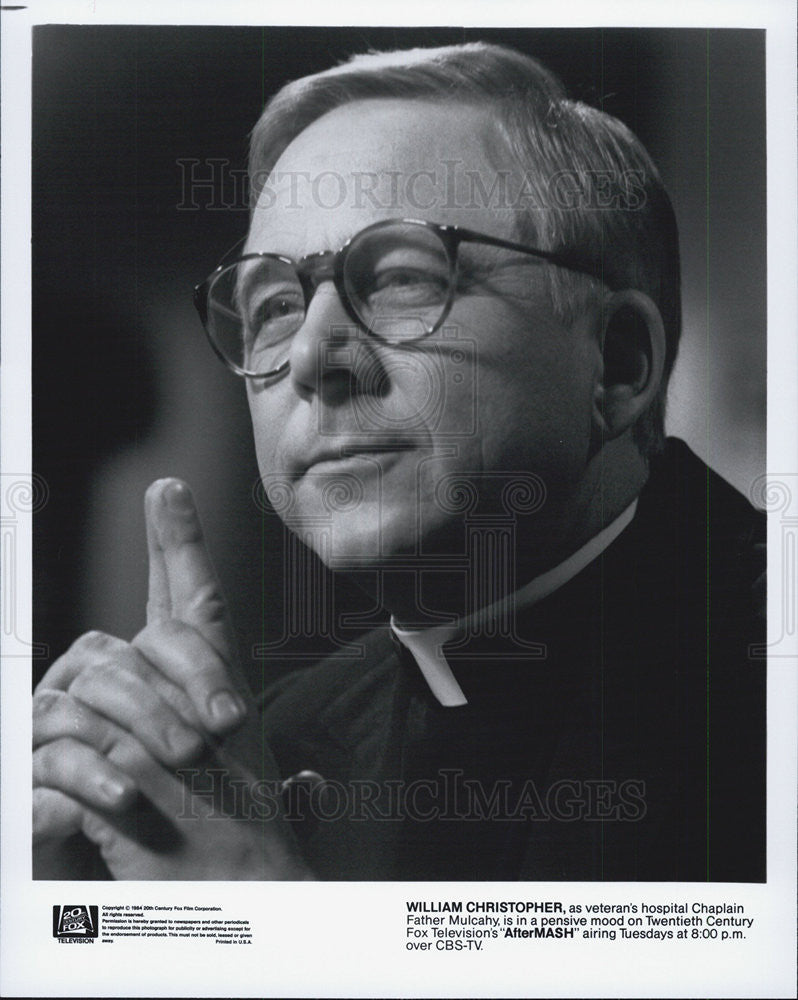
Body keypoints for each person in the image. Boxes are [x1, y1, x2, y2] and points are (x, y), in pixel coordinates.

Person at [32, 42, 765, 881]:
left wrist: (265, 922)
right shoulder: (266, 748)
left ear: (620, 362)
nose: (312, 356)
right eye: (273, 305)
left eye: (403, 280)